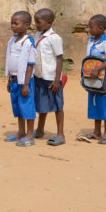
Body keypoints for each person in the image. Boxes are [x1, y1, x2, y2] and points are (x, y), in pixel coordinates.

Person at [32, 8, 66, 146]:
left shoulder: (54, 38)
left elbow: (59, 59)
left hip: (52, 78)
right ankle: (40, 130)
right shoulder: (37, 36)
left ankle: (60, 134)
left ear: (49, 22)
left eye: (38, 22)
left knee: (58, 106)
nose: (36, 24)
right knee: (41, 104)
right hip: (39, 75)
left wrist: (57, 80)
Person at [84, 14, 106, 144]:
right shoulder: (91, 40)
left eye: (91, 27)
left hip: (104, 80)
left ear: (100, 28)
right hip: (92, 79)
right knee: (95, 104)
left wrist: (98, 69)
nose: (89, 29)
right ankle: (96, 131)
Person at [4, 11, 37, 147]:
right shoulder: (13, 40)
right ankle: (21, 131)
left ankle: (30, 135)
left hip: (25, 81)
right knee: (17, 106)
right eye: (12, 23)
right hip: (14, 80)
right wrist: (9, 79)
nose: (13, 26)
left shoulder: (28, 42)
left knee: (27, 107)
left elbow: (30, 65)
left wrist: (26, 85)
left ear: (26, 25)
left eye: (16, 23)